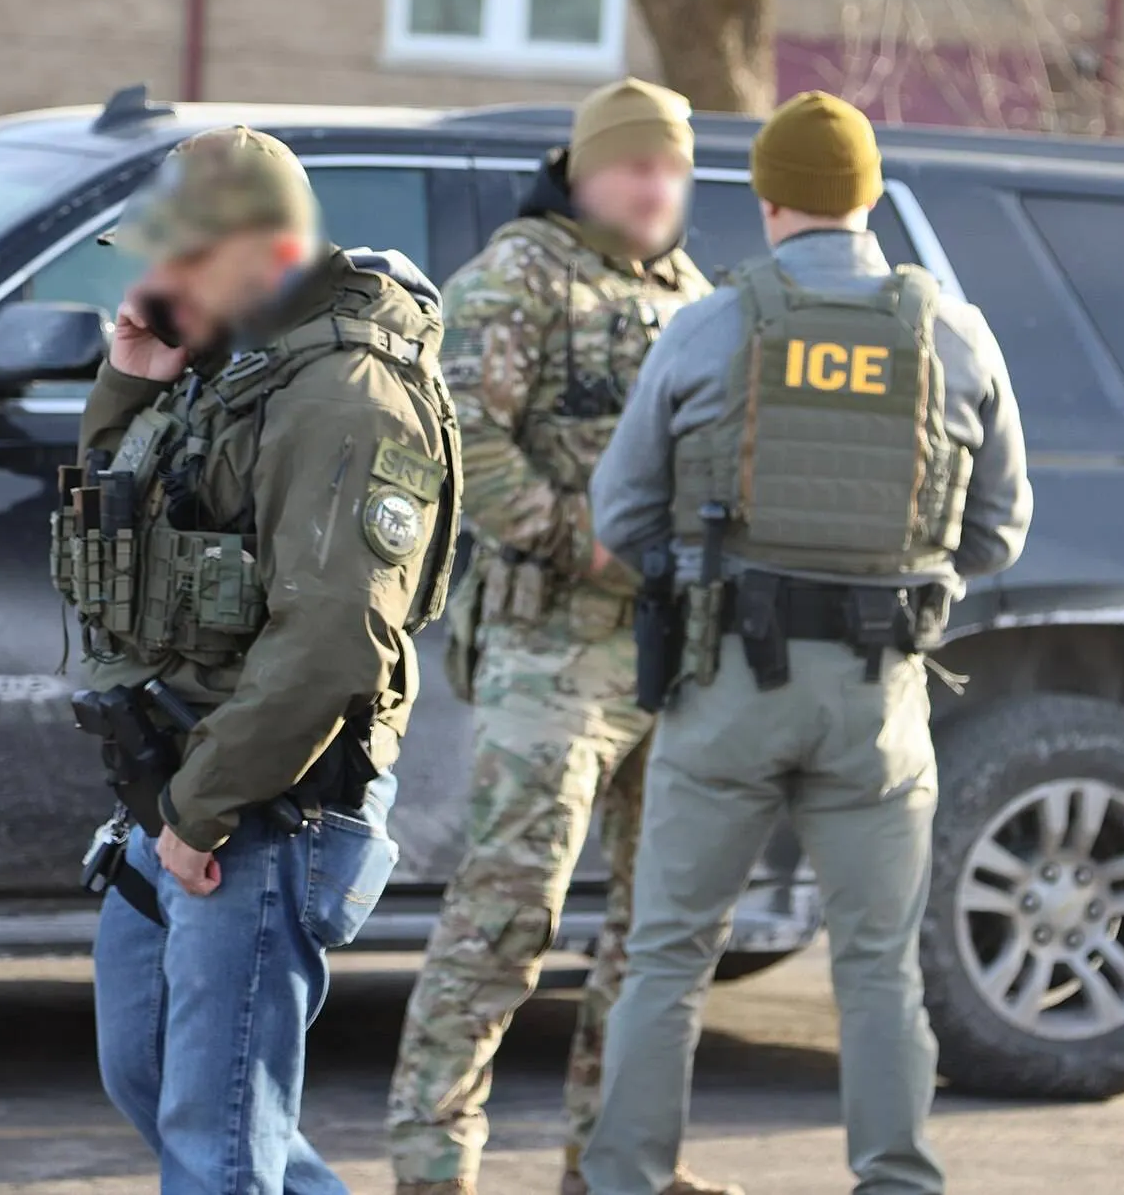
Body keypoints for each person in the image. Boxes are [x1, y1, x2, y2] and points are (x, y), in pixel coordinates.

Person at [581, 92, 1034, 1195]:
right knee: (877, 969)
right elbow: (998, 530)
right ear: (869, 196)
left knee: (668, 957)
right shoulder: (954, 333)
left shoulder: (707, 324)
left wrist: (710, 571)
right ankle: (894, 1179)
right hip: (876, 698)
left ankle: (625, 1179)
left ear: (768, 200)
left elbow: (620, 514)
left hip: (726, 682)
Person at [64, 126, 461, 1195]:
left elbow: (334, 640)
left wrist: (200, 812)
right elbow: (120, 546)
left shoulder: (342, 396)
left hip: (261, 805)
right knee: (158, 1086)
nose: (154, 282)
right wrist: (130, 383)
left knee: (218, 1148)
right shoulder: (234, 364)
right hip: (181, 781)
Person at [386, 80, 736, 1195]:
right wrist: (582, 542)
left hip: (671, 657)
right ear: (584, 170)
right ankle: (432, 1165)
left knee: (653, 933)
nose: (654, 187)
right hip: (551, 655)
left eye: (671, 169)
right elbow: (463, 445)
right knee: (507, 916)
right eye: (635, 165)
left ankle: (614, 1164)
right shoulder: (514, 278)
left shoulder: (697, 295)